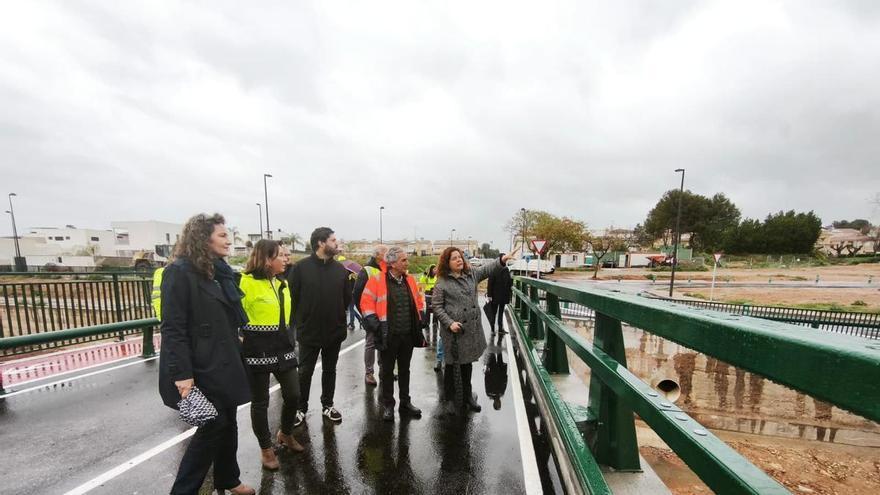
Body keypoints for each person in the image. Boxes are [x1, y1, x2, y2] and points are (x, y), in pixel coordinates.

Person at [158, 213, 254, 495]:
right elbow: (173, 328)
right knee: (214, 426)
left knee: (230, 421)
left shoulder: (219, 271)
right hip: (200, 366)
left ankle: (228, 478)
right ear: (203, 238)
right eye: (223, 235)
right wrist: (183, 376)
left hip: (224, 360)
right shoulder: (179, 272)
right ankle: (184, 490)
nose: (229, 240)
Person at [239, 241, 305, 471]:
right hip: (257, 350)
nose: (286, 259)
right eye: (280, 256)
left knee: (294, 395)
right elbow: (233, 314)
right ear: (267, 260)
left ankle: (285, 433)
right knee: (260, 402)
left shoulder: (281, 284)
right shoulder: (245, 283)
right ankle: (266, 448)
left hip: (283, 348)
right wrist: (239, 337)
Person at [432, 248, 516, 414]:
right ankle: (449, 399)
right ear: (447, 263)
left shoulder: (471, 274)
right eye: (454, 258)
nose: (459, 260)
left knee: (467, 364)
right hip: (453, 331)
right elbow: (437, 306)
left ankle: (467, 396)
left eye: (460, 257)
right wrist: (449, 323)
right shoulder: (442, 282)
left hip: (469, 329)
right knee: (450, 366)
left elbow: (487, 269)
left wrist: (502, 260)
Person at [288, 227, 352, 425]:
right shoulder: (300, 268)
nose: (336, 244)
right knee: (305, 372)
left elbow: (346, 298)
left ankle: (328, 405)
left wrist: (340, 321)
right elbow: (292, 299)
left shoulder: (340, 269)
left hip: (334, 331)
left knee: (330, 370)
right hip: (309, 332)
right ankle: (300, 409)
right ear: (320, 243)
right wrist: (301, 322)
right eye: (333, 240)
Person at [360, 246, 426, 421]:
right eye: (403, 260)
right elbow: (366, 303)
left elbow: (418, 301)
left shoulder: (410, 280)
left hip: (407, 335)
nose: (407, 263)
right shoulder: (376, 280)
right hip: (388, 335)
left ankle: (405, 403)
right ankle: (388, 405)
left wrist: (421, 318)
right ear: (392, 263)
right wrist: (376, 326)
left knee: (405, 370)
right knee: (387, 372)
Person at [352, 244, 388, 386]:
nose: (388, 255)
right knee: (371, 343)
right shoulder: (366, 270)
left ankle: (384, 370)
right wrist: (365, 314)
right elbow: (357, 294)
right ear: (378, 255)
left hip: (385, 315)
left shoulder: (386, 270)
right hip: (371, 315)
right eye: (385, 253)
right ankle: (369, 373)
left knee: (384, 342)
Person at [419, 264, 443, 371]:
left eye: (435, 269)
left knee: (436, 311)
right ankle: (427, 322)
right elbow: (422, 281)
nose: (435, 270)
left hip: (435, 294)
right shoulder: (428, 276)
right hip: (428, 295)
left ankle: (435, 322)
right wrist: (424, 274)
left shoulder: (438, 276)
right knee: (428, 311)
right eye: (433, 269)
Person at [486, 260, 513, 334]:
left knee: (493, 313)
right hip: (503, 296)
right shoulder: (506, 270)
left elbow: (490, 283)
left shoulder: (494, 269)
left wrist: (489, 295)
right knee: (500, 313)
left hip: (495, 296)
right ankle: (500, 329)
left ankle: (492, 329)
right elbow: (509, 283)